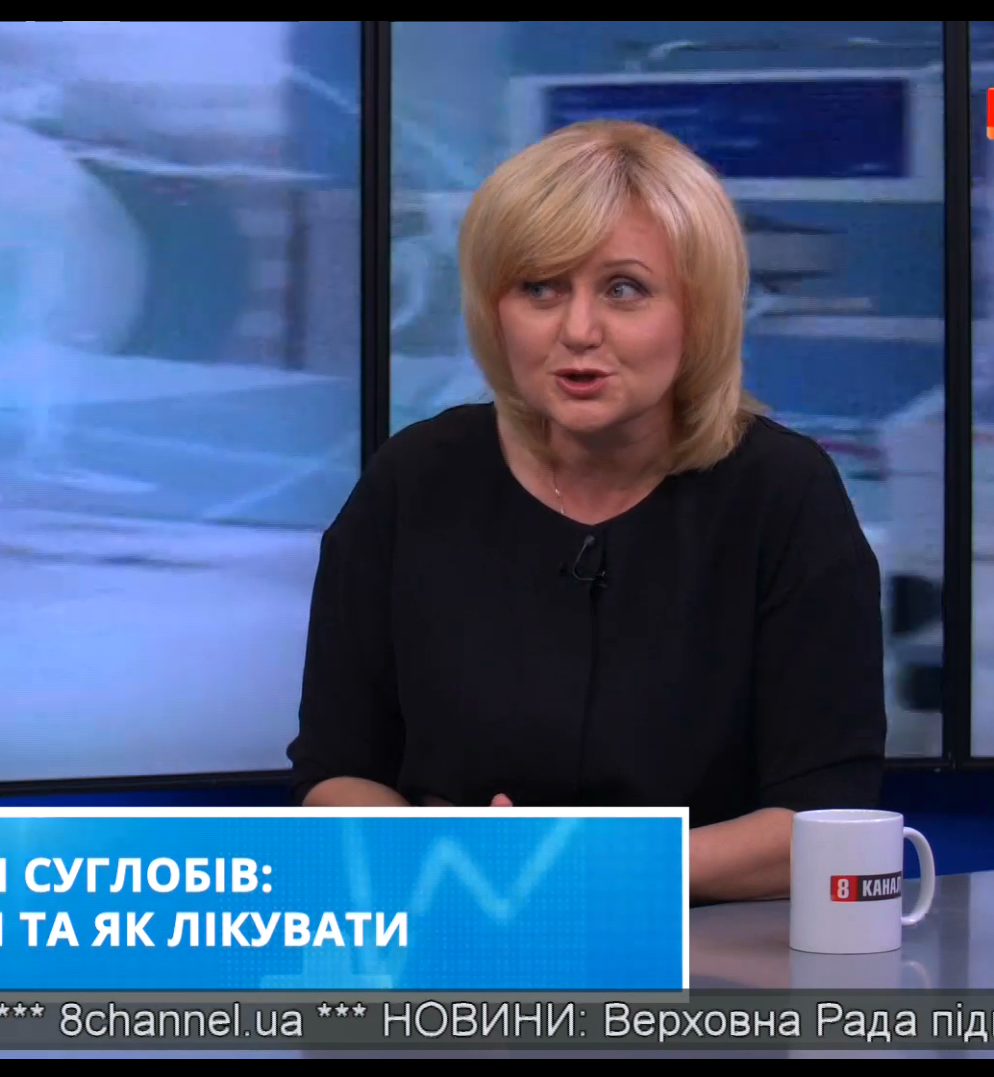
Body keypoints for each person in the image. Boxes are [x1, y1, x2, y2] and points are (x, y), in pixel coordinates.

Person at [286, 120, 886, 905]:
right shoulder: (416, 478)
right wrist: (444, 857)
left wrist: (588, 870)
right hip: (457, 935)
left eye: (624, 289)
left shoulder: (782, 493)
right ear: (494, 309)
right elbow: (334, 772)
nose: (577, 331)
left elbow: (828, 818)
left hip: (704, 957)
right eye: (540, 288)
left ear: (698, 310)